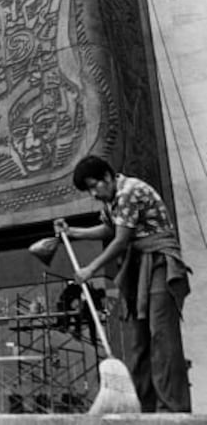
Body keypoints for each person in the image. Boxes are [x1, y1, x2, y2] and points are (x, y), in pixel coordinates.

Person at [56, 154, 192, 412]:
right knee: (139, 339)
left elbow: (120, 240)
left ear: (107, 177)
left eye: (94, 186)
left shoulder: (129, 192)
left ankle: (172, 409)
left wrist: (91, 269)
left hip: (160, 263)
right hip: (139, 266)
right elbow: (109, 229)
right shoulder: (112, 199)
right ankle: (145, 408)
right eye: (89, 190)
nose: (94, 194)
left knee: (161, 335)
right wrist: (72, 232)